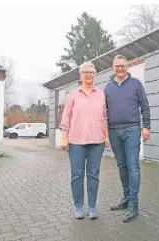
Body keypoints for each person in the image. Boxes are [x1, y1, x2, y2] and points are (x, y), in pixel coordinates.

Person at [60, 61, 110, 220]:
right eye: (86, 72)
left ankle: (92, 207)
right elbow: (65, 117)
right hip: (76, 142)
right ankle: (78, 206)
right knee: (77, 175)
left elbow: (104, 117)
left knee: (94, 175)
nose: (89, 74)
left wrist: (107, 137)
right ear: (80, 75)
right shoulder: (73, 94)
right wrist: (64, 138)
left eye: (92, 72)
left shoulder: (101, 94)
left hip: (97, 142)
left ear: (95, 75)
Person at [104, 55, 151, 222]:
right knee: (122, 166)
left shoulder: (136, 84)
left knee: (132, 166)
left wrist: (146, 126)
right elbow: (104, 113)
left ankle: (133, 204)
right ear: (113, 68)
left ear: (127, 67)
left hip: (132, 130)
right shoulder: (108, 87)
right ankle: (125, 198)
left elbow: (144, 106)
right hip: (114, 131)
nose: (120, 69)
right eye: (117, 66)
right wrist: (105, 133)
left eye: (123, 66)